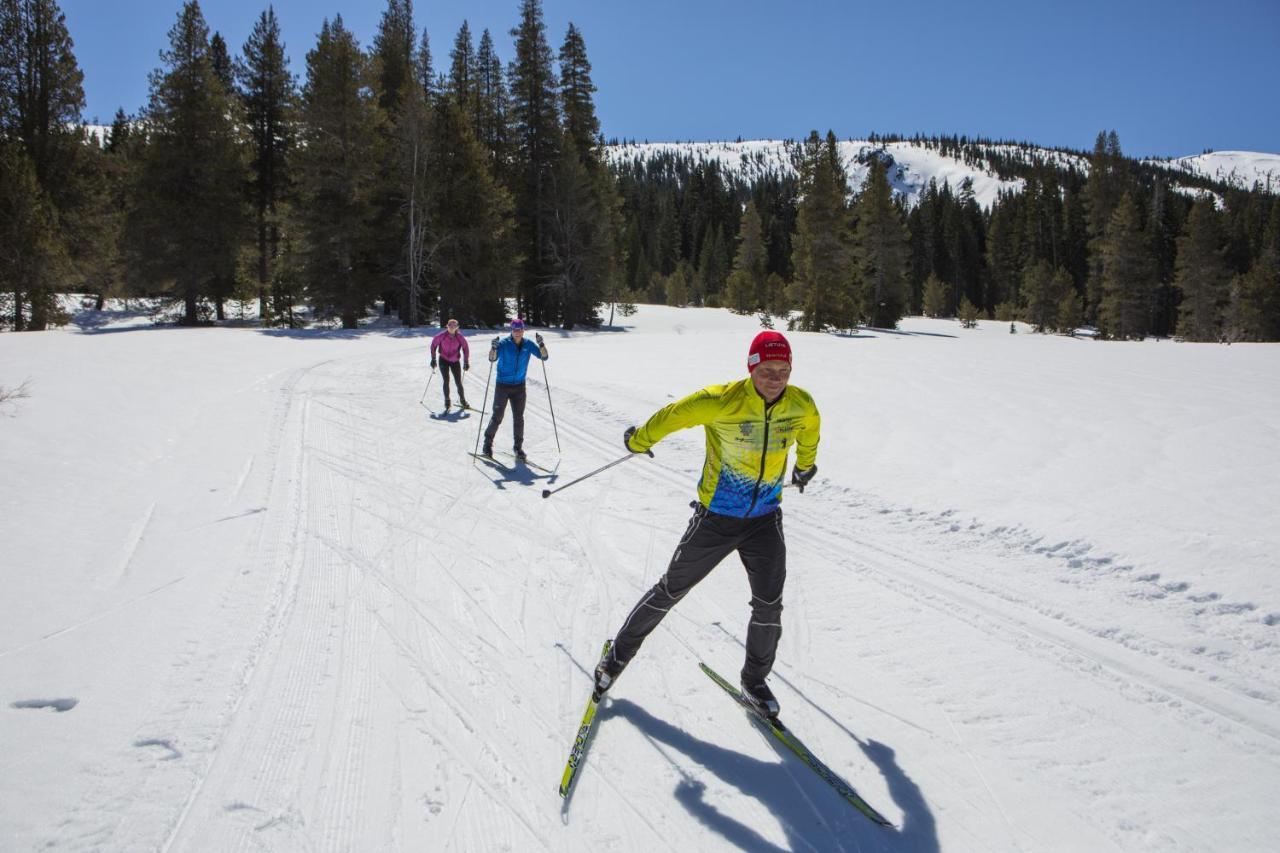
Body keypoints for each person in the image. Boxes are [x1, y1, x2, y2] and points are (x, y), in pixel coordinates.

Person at [593, 330, 820, 717]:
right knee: (669, 591)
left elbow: (810, 432)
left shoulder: (800, 404)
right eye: (767, 370)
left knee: (769, 607)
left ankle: (754, 681)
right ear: (751, 368)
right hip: (716, 519)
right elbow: (674, 415)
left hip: (765, 521)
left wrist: (804, 466)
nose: (776, 379)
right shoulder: (722, 401)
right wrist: (640, 439)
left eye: (784, 370)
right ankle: (615, 658)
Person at [481, 318, 548, 460]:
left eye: (520, 330)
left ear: (523, 330)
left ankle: (518, 448)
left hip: (519, 387)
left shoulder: (528, 344)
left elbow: (544, 356)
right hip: (503, 386)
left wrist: (541, 344)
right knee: (497, 417)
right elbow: (492, 359)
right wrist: (493, 348)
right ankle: (487, 444)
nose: (517, 332)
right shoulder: (504, 344)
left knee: (519, 418)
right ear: (511, 330)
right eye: (515, 330)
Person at [430, 318, 471, 410]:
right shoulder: (442, 336)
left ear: (457, 327)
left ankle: (463, 400)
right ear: (447, 326)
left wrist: (466, 361)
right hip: (443, 360)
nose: (452, 327)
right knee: (446, 380)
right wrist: (433, 358)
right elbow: (433, 345)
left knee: (458, 382)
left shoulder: (459, 337)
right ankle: (447, 401)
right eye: (450, 325)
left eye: (454, 326)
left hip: (455, 361)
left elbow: (465, 348)